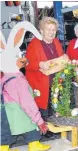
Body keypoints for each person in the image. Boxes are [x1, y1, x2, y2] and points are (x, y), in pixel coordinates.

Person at [1, 21, 50, 151]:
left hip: (5, 112)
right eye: (17, 56)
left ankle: (4, 148)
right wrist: (39, 120)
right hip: (18, 112)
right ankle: (34, 145)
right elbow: (26, 102)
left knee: (5, 132)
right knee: (31, 123)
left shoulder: (4, 76)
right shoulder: (17, 79)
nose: (22, 59)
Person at [25, 17, 64, 122]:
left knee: (54, 104)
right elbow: (26, 63)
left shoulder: (56, 41)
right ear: (41, 31)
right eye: (48, 30)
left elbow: (60, 57)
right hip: (40, 82)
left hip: (55, 80)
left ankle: (54, 125)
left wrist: (65, 59)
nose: (51, 33)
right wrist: (39, 64)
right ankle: (44, 128)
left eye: (53, 30)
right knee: (43, 107)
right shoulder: (34, 44)